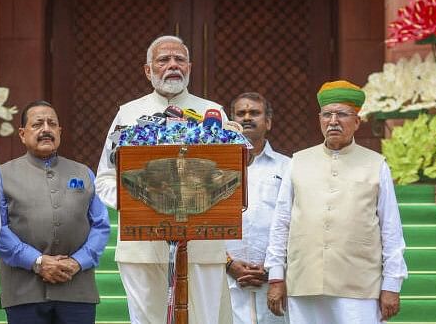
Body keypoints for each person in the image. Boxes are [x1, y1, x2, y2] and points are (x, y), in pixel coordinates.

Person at [95, 35, 233, 324]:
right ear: (148, 70)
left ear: (190, 67)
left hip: (202, 246)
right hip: (142, 246)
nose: (173, 65)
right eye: (163, 60)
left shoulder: (213, 113)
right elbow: (105, 179)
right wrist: (142, 203)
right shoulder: (128, 114)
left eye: (179, 59)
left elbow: (231, 176)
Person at [264, 80, 408, 324]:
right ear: (319, 119)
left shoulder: (376, 164)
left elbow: (391, 230)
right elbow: (281, 224)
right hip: (304, 282)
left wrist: (392, 284)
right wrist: (276, 277)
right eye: (327, 114)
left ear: (356, 122)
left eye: (342, 114)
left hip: (359, 286)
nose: (333, 121)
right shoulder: (297, 162)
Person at [0, 100, 110, 324]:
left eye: (52, 124)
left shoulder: (84, 173)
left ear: (60, 131)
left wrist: (78, 262)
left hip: (76, 287)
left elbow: (101, 226)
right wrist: (36, 261)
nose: (46, 129)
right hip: (23, 290)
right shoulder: (2, 175)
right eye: (38, 124)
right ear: (22, 133)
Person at [226, 92, 290, 324]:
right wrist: (229, 264)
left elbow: (294, 223)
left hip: (273, 280)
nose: (247, 118)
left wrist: (274, 271)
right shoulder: (215, 166)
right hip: (225, 279)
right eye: (240, 113)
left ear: (268, 122)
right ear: (231, 122)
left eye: (254, 113)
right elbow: (203, 222)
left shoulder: (288, 167)